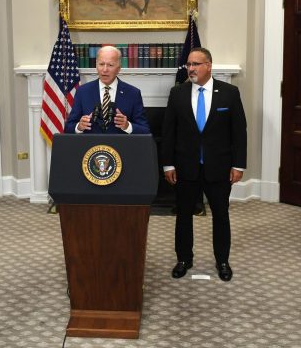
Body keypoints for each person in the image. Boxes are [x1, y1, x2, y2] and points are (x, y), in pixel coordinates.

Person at [162, 47, 247, 281]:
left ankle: (222, 261)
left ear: (209, 65)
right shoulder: (177, 93)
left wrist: (238, 165)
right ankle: (183, 259)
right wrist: (168, 165)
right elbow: (168, 132)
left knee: (221, 215)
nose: (191, 69)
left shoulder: (229, 93)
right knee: (184, 215)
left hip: (218, 168)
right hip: (185, 167)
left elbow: (239, 132)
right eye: (189, 64)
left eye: (196, 64)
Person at [64, 45, 150, 134]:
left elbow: (145, 130)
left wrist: (127, 126)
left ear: (119, 68)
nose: (105, 70)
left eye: (110, 65)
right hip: (91, 146)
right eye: (101, 64)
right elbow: (68, 128)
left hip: (120, 146)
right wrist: (79, 126)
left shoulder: (133, 93)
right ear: (96, 65)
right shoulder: (82, 92)